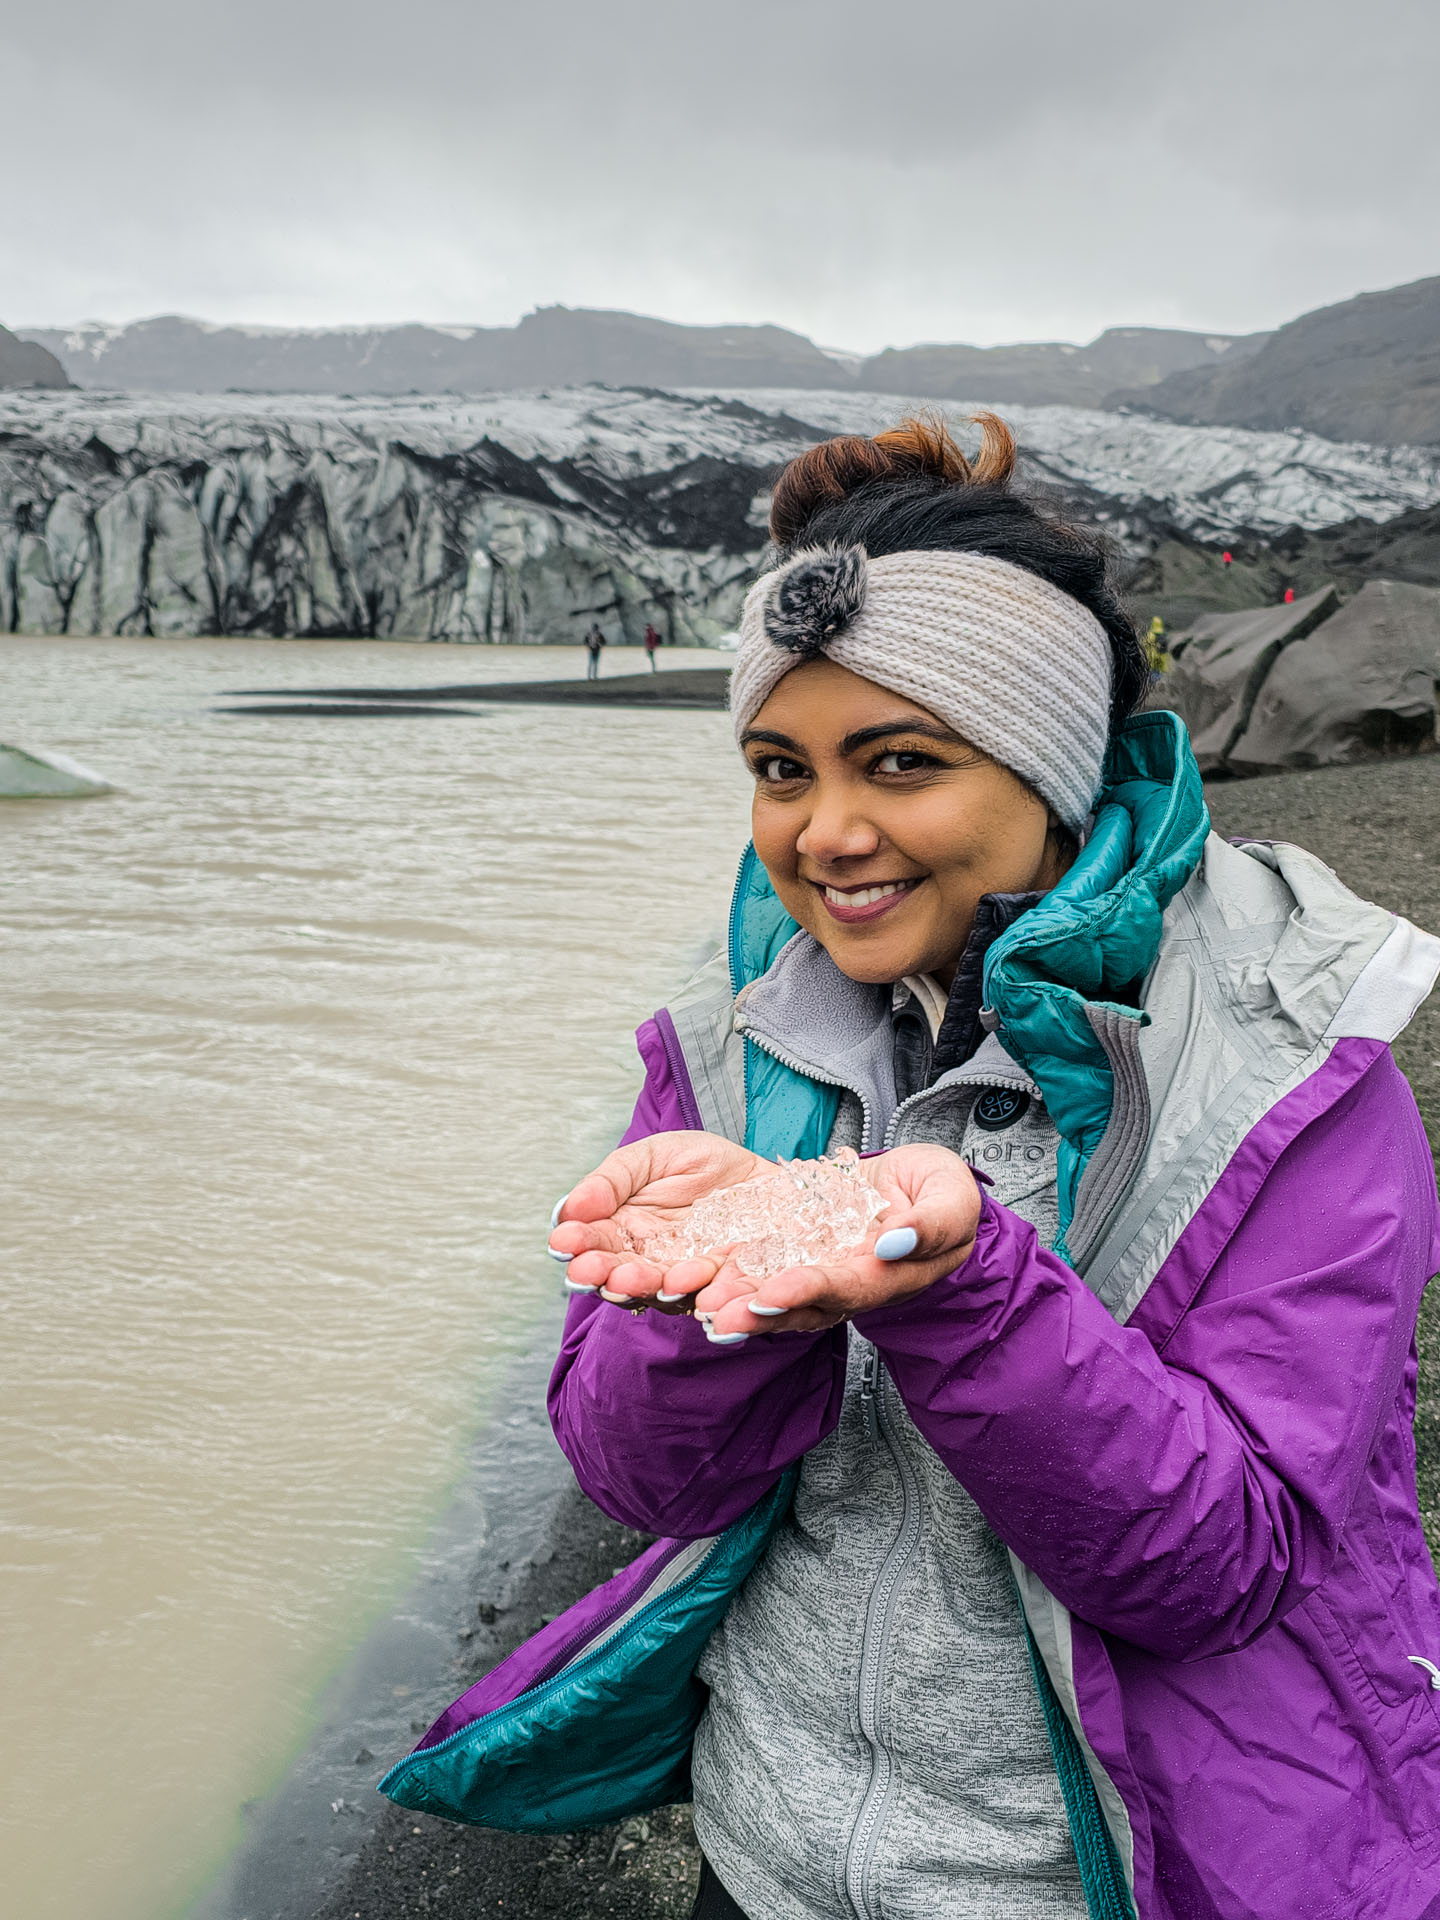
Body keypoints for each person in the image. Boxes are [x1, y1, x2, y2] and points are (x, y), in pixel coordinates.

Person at [393, 414, 1440, 1920]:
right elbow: (639, 1477)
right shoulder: (743, 1029)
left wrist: (957, 1292)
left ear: (1052, 767)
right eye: (780, 767)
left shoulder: (1294, 1070)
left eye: (900, 763)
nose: (826, 834)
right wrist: (713, 1304)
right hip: (765, 1859)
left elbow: (1224, 1570)